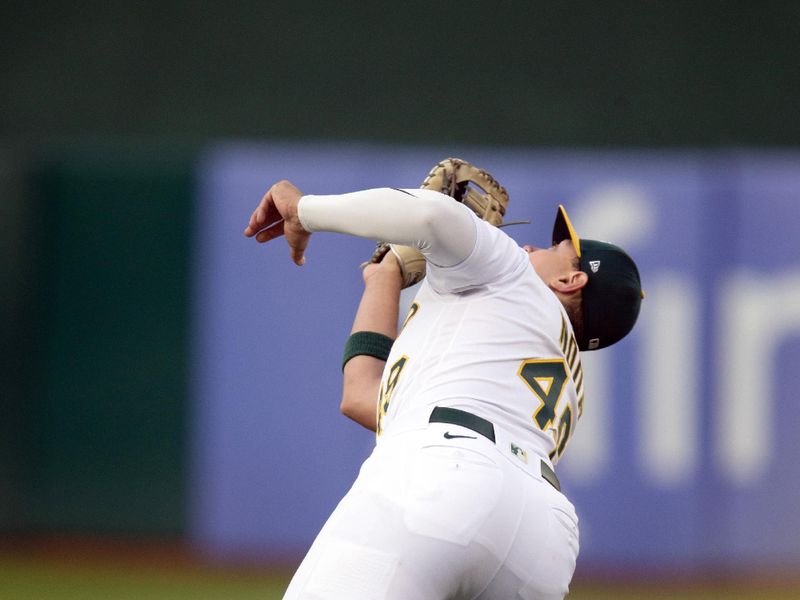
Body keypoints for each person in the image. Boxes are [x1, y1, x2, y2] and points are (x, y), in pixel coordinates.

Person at [244, 178, 643, 600]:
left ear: (571, 281)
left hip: (446, 474)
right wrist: (387, 277)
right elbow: (362, 395)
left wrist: (303, 209)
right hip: (543, 542)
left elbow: (431, 215)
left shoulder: (509, 270)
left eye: (553, 252)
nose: (529, 248)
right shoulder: (563, 382)